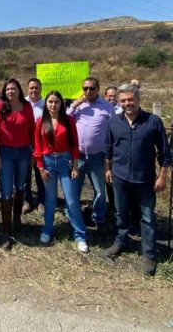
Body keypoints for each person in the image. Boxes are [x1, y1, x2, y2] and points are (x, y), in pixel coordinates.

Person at [104, 83, 171, 276]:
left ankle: (149, 254)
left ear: (138, 100)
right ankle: (121, 241)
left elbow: (165, 153)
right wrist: (108, 170)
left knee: (147, 217)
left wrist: (162, 176)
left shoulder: (153, 121)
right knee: (120, 213)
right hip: (120, 176)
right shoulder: (114, 122)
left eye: (130, 100)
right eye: (123, 100)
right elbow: (109, 149)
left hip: (145, 178)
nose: (127, 103)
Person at [34, 91, 88, 253]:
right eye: (50, 102)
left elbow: (75, 144)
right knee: (50, 200)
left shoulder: (69, 120)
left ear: (61, 104)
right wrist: (41, 167)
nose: (53, 105)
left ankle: (80, 235)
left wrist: (76, 166)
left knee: (71, 200)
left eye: (56, 102)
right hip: (48, 162)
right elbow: (37, 147)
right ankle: (48, 229)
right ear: (46, 104)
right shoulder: (40, 122)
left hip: (66, 162)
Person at [0, 78, 35, 250]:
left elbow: (31, 130)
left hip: (24, 152)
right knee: (6, 191)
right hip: (5, 153)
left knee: (21, 187)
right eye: (8, 89)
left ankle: (17, 221)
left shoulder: (27, 107)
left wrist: (34, 152)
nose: (10, 91)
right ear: (4, 91)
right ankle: (6, 232)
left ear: (19, 90)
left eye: (13, 88)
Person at [67, 77, 115, 235]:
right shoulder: (77, 106)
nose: (88, 91)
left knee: (100, 190)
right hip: (77, 156)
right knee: (74, 188)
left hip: (97, 156)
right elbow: (65, 121)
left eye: (92, 88)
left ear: (98, 89)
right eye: (85, 88)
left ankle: (98, 218)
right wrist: (74, 105)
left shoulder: (107, 107)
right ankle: (72, 215)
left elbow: (114, 130)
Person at [24, 78, 45, 213]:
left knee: (40, 175)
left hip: (42, 146)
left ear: (41, 89)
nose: (34, 90)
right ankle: (26, 200)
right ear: (27, 89)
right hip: (24, 145)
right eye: (31, 88)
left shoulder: (47, 104)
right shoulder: (22, 103)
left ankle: (42, 201)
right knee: (25, 175)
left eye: (36, 87)